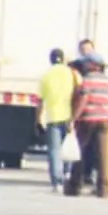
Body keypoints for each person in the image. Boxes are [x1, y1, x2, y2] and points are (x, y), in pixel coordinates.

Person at [65, 56, 108, 197]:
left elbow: (83, 99)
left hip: (87, 119)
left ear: (92, 65)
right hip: (103, 120)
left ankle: (74, 186)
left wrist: (74, 118)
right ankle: (103, 188)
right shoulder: (107, 81)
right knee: (102, 155)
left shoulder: (87, 80)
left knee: (79, 152)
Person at [36, 48, 78, 192]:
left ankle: (57, 183)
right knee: (68, 149)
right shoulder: (71, 73)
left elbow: (40, 101)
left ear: (51, 59)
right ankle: (67, 174)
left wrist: (37, 120)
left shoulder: (46, 75)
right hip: (69, 116)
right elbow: (77, 93)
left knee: (54, 151)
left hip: (52, 117)